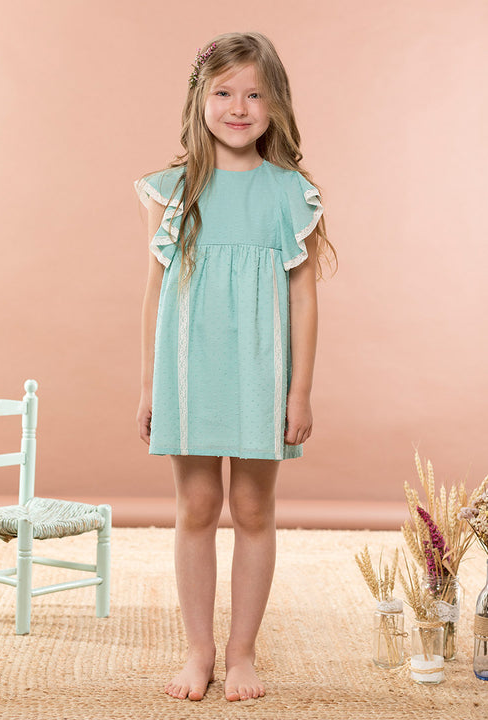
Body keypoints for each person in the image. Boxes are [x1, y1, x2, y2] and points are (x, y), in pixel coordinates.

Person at [134, 31, 337, 703]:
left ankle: (241, 651)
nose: (239, 108)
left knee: (252, 507)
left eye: (255, 94)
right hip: (188, 370)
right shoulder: (173, 191)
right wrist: (149, 385)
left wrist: (299, 392)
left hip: (261, 372)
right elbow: (155, 294)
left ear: (276, 105)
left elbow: (303, 298)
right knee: (196, 505)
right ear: (200, 100)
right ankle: (198, 650)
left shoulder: (290, 194)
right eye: (224, 93)